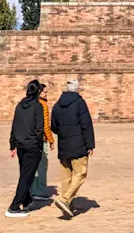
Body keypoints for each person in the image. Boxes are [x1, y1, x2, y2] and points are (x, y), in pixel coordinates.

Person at [51, 78, 95, 218]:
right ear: (77, 89)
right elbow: (86, 124)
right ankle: (65, 199)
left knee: (66, 177)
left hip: (64, 145)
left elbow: (54, 127)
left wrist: (64, 133)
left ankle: (67, 203)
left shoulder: (57, 105)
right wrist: (90, 144)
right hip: (78, 144)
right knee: (80, 173)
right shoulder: (79, 103)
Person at [6, 80, 44, 219]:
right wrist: (40, 145)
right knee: (26, 176)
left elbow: (14, 125)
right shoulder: (37, 106)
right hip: (32, 145)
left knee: (25, 173)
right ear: (38, 91)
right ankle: (14, 207)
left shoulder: (20, 105)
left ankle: (27, 200)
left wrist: (12, 144)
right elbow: (39, 128)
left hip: (21, 145)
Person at [30, 82, 55, 200]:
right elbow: (45, 125)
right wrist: (51, 139)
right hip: (41, 139)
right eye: (44, 92)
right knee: (42, 165)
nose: (46, 94)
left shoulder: (31, 103)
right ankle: (39, 190)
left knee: (33, 165)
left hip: (31, 138)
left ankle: (32, 188)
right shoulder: (43, 105)